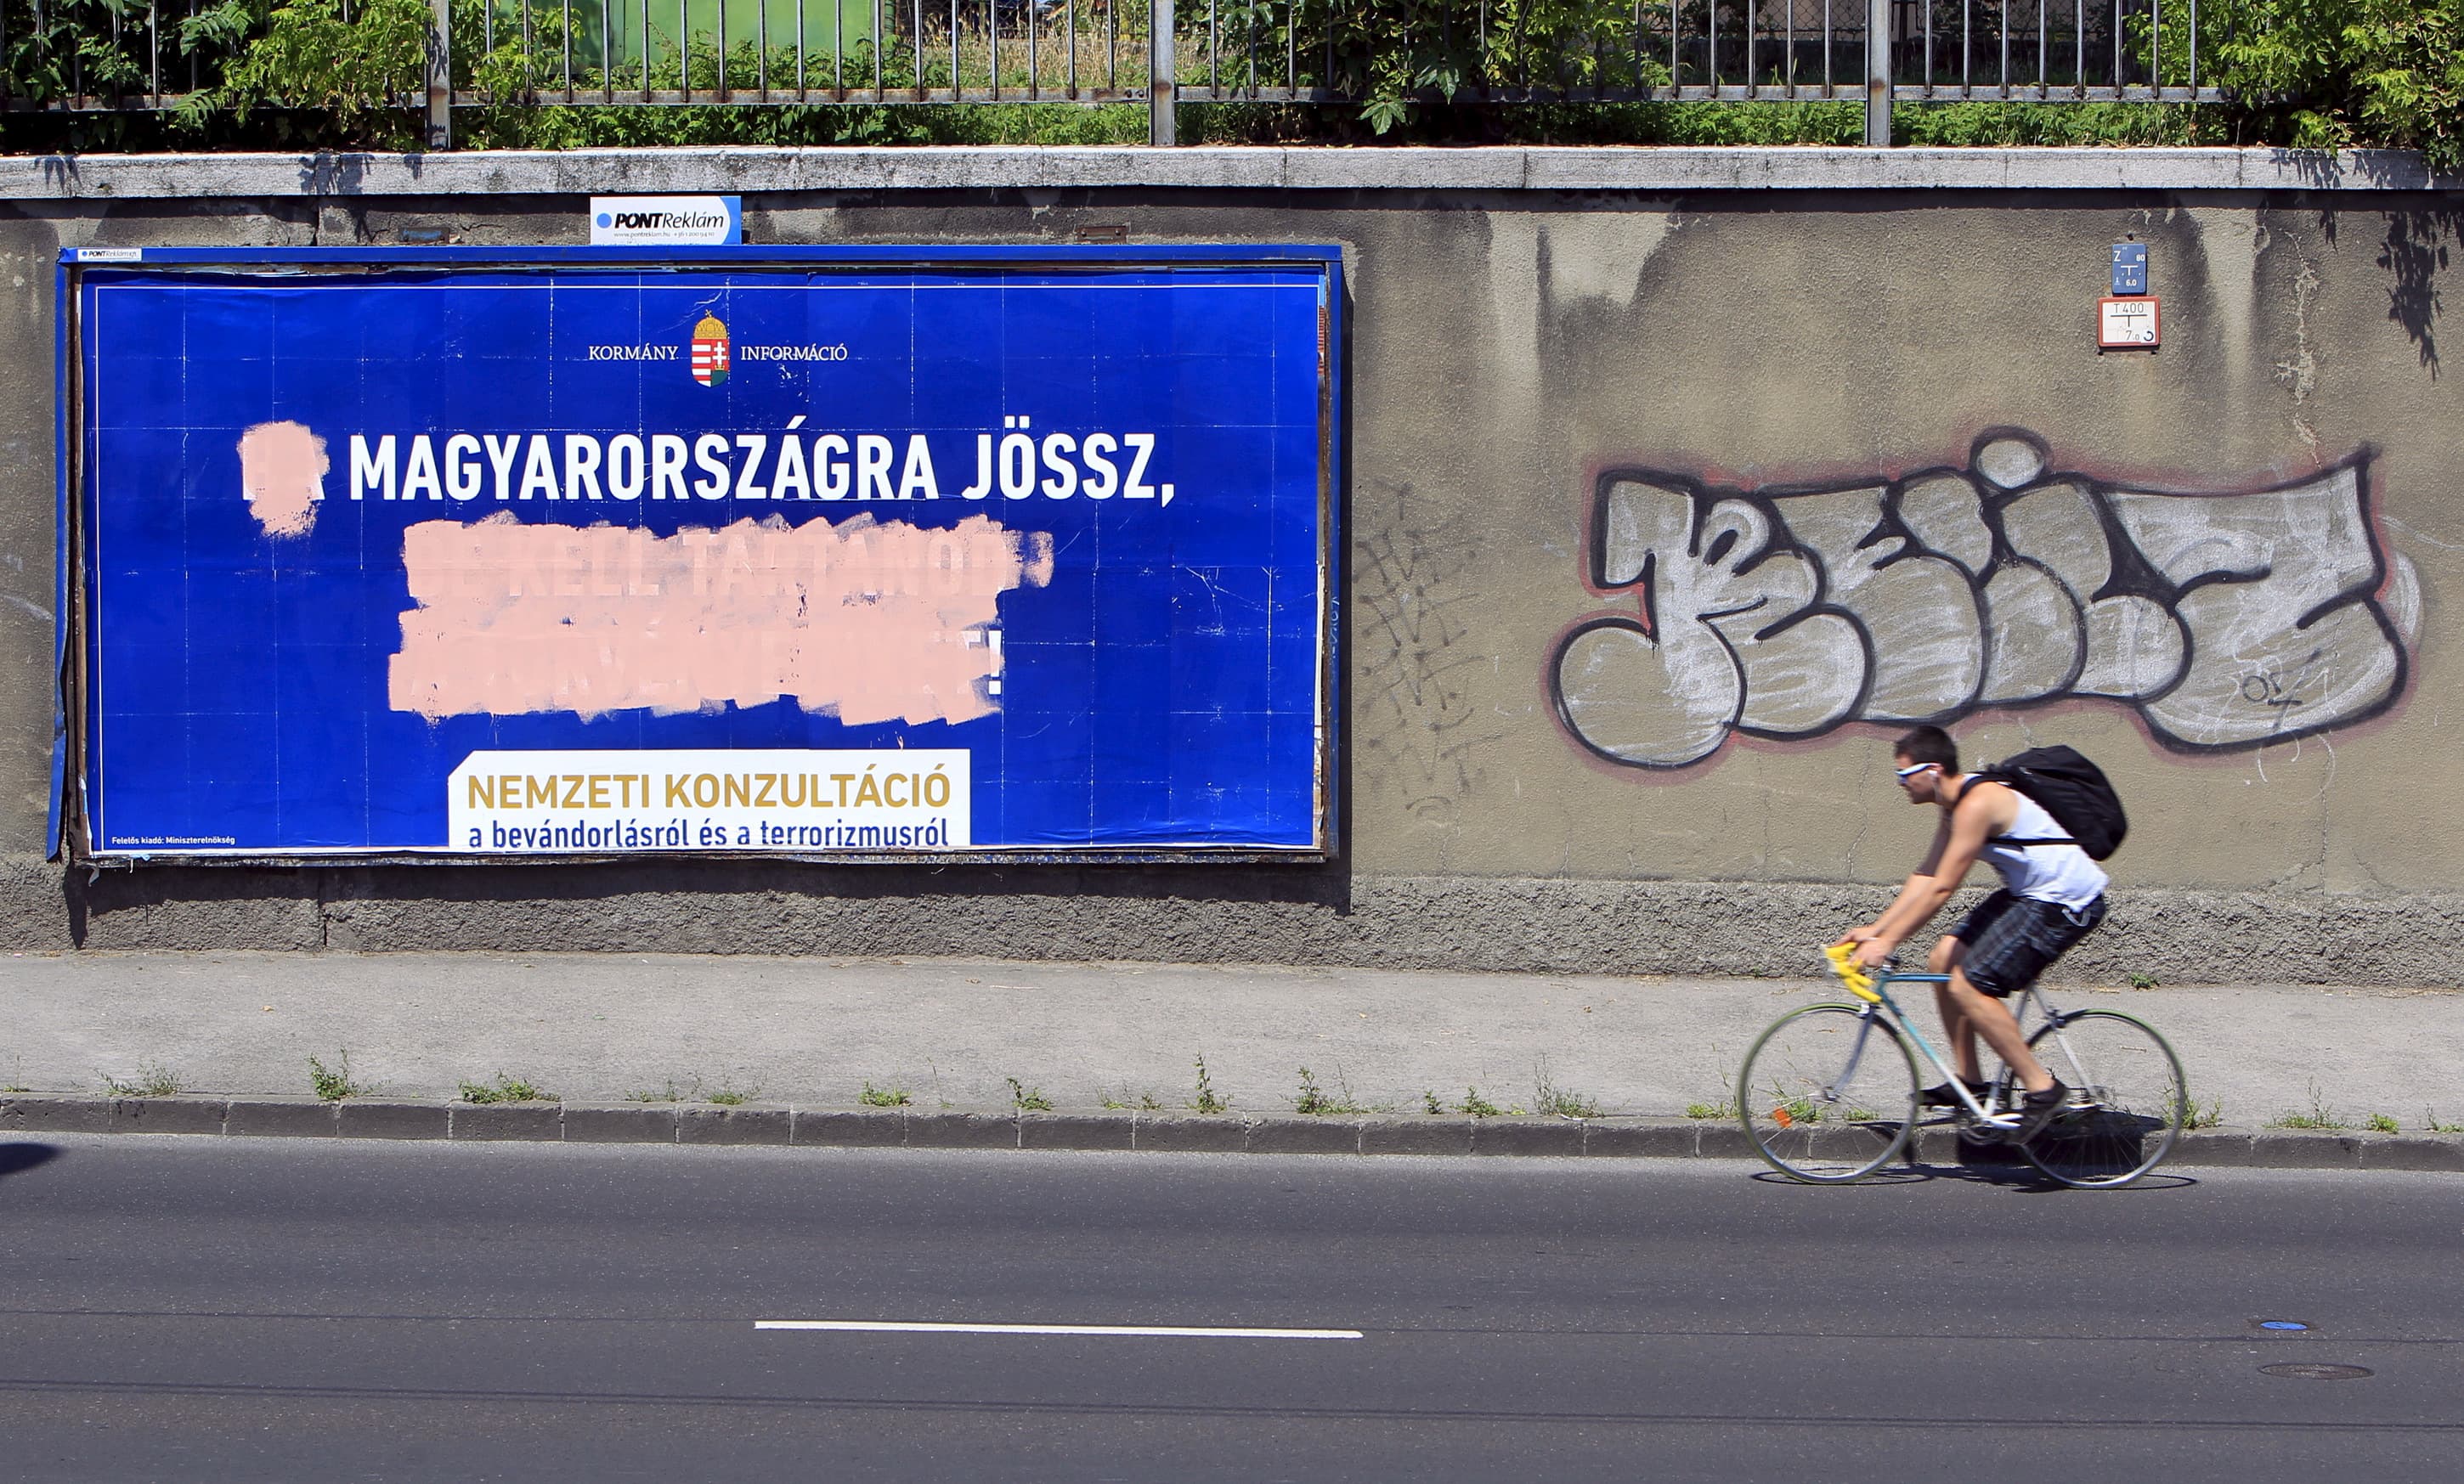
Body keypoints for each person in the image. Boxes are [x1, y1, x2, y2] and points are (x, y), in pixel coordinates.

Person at [1839, 725, 2109, 1141]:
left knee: (1969, 986)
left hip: (2066, 901)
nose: (1900, 783)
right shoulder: (1953, 805)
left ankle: (2043, 1088)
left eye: (1903, 774)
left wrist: (1889, 943)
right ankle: (1971, 1082)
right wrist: (1877, 928)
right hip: (2028, 894)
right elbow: (1927, 874)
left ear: (1933, 771)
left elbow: (1944, 888)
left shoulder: (1976, 804)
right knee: (1942, 960)